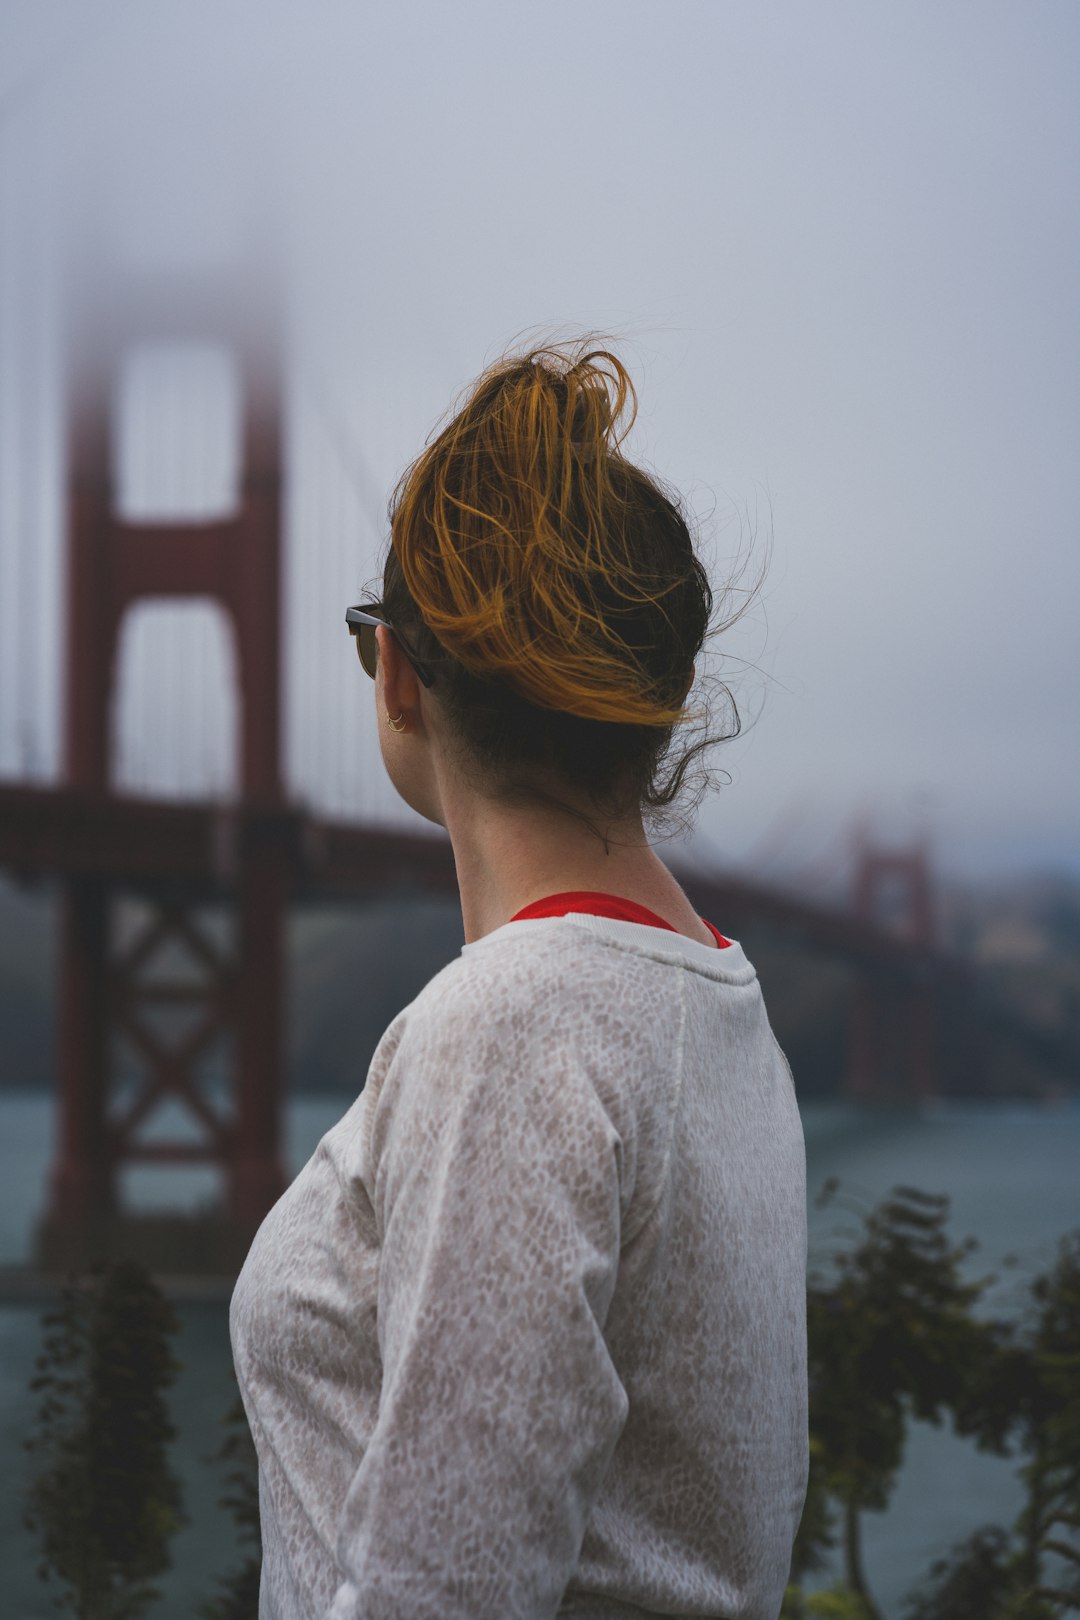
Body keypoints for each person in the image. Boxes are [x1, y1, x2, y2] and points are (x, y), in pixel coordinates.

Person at [230, 343, 808, 1620]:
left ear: (396, 675)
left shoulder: (509, 1028)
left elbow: (447, 1594)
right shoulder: (720, 1005)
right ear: (654, 707)